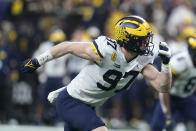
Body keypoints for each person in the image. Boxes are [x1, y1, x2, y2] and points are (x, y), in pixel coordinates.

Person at [21, 15, 172, 131]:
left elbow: (162, 86)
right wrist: (37, 61)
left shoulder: (141, 59)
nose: (146, 43)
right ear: (128, 40)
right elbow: (68, 46)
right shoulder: (106, 50)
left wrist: (166, 65)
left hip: (88, 106)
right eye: (141, 39)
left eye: (146, 38)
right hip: (72, 101)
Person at [151, 35, 196, 131]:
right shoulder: (181, 62)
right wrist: (168, 115)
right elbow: (165, 89)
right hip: (170, 97)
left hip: (187, 97)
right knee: (157, 127)